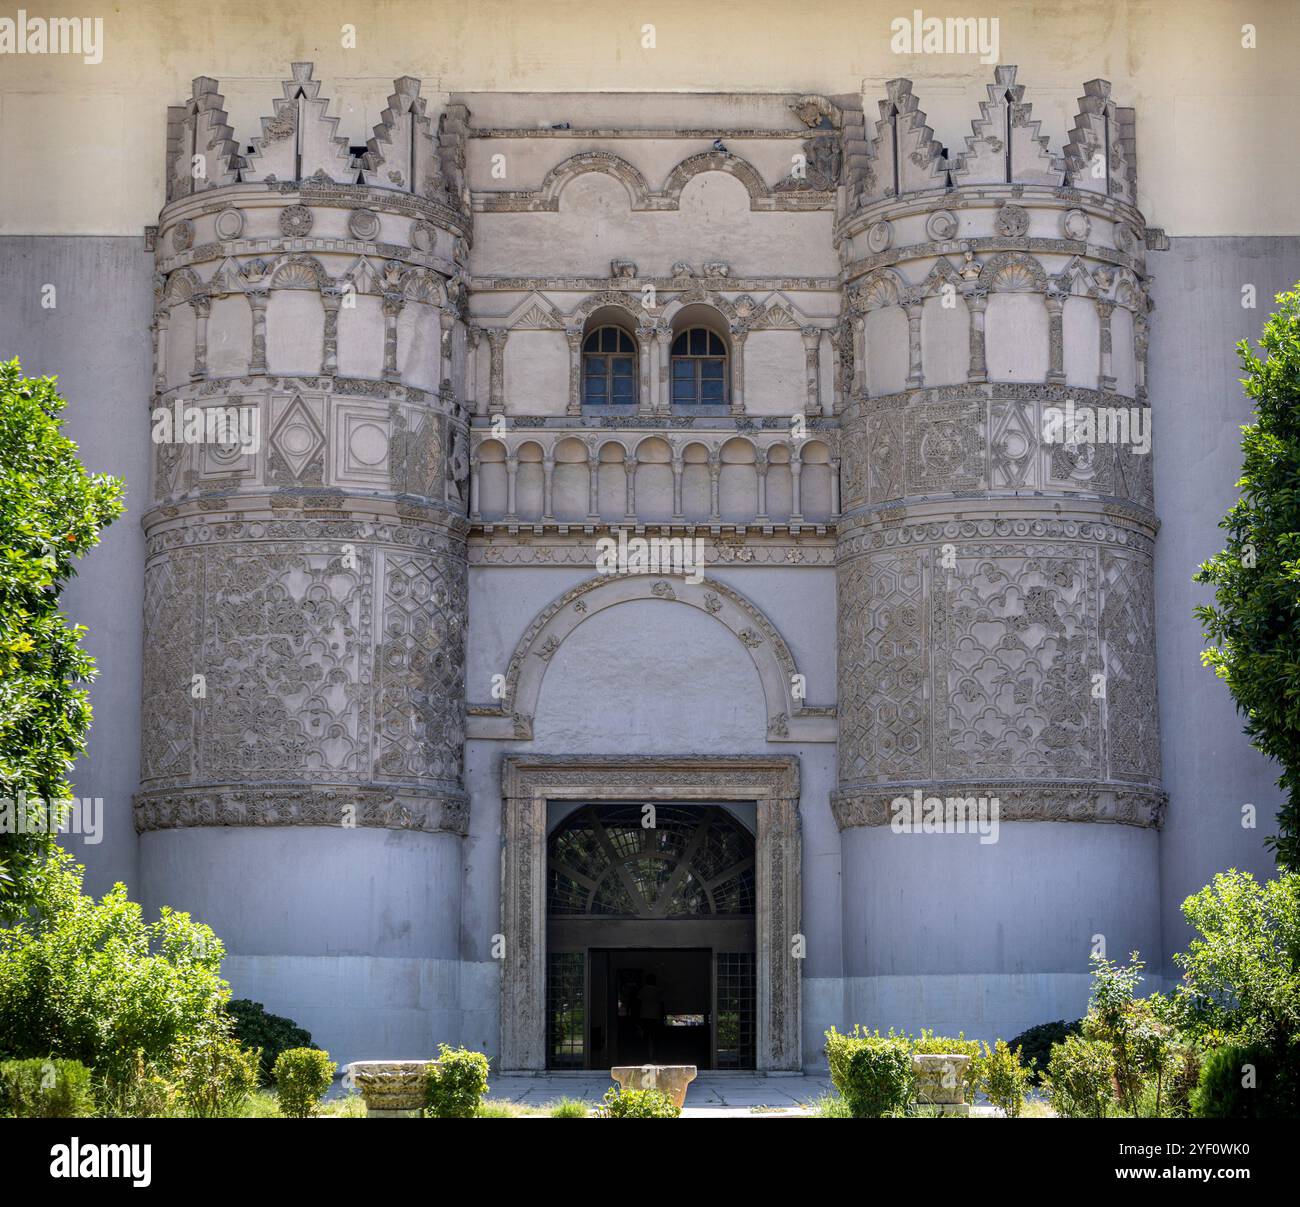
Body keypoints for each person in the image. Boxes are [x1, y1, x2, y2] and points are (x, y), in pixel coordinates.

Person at [638, 972, 665, 1060]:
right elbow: (661, 1004)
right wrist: (663, 1015)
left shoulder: (642, 990)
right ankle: (655, 1058)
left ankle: (646, 1057)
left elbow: (638, 1003)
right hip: (655, 1017)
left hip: (644, 1016)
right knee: (655, 1039)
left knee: (645, 1038)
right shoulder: (658, 991)